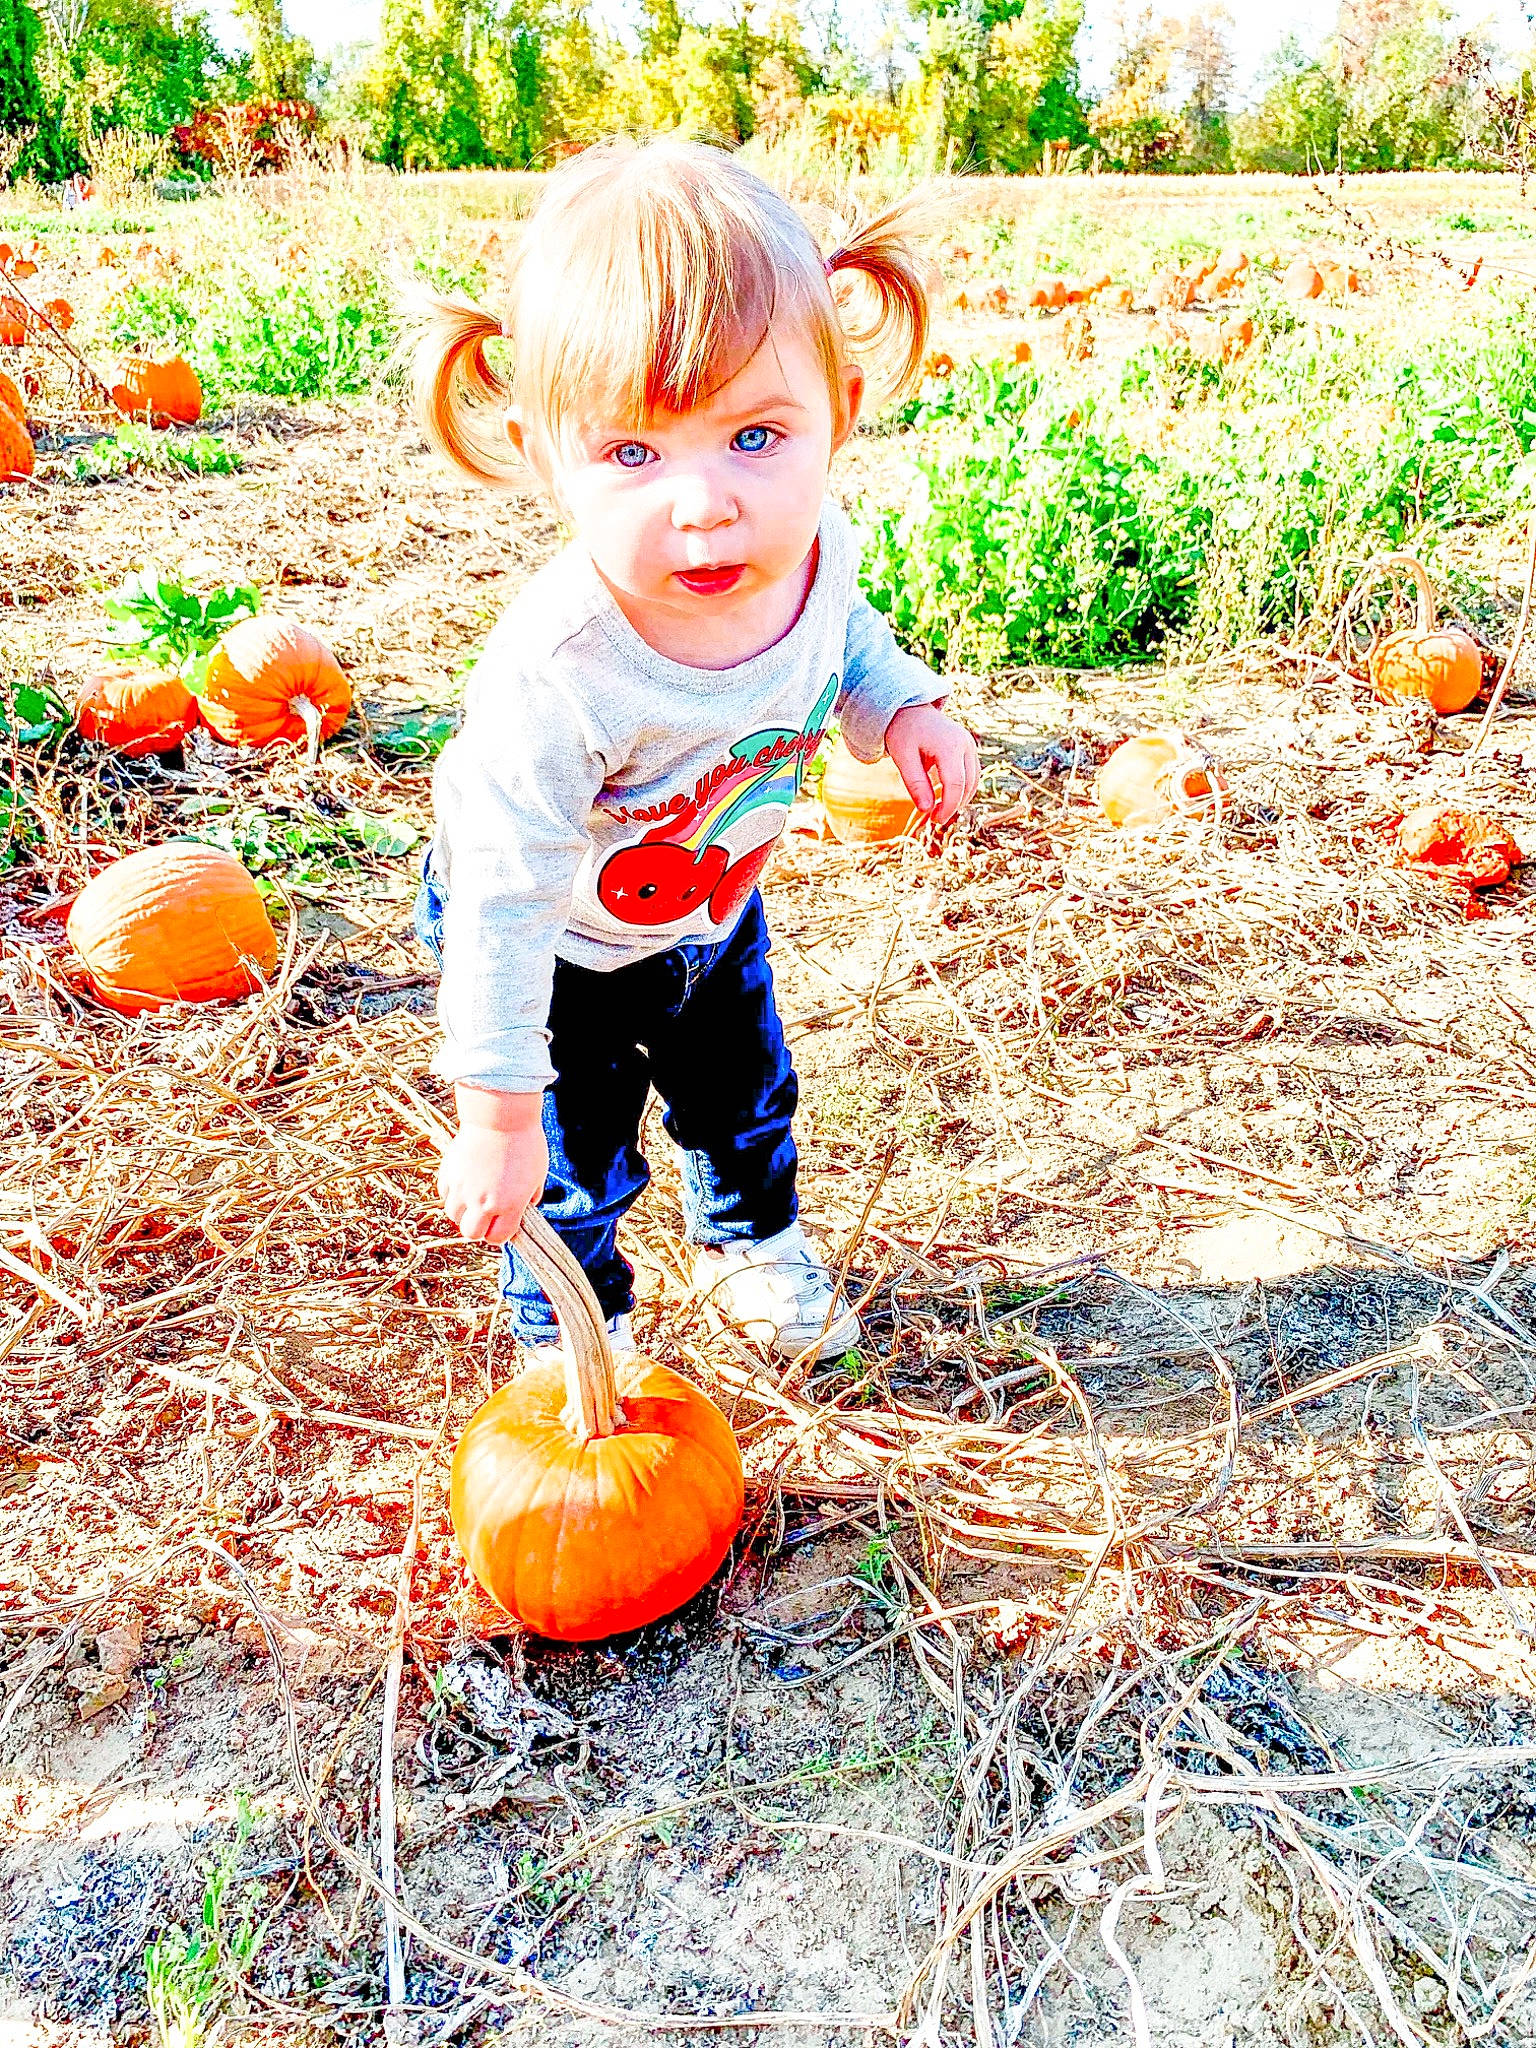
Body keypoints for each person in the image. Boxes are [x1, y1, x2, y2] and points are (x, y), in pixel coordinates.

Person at [410, 138, 978, 1365]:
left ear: (842, 412)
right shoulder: (561, 671)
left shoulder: (809, 542)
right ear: (541, 449)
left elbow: (847, 632)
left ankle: (751, 1244)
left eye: (756, 436)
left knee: (743, 1097)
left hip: (710, 906)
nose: (706, 502)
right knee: (575, 1155)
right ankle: (575, 1327)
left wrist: (901, 708)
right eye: (633, 452)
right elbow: (504, 899)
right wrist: (497, 1110)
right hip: (552, 940)